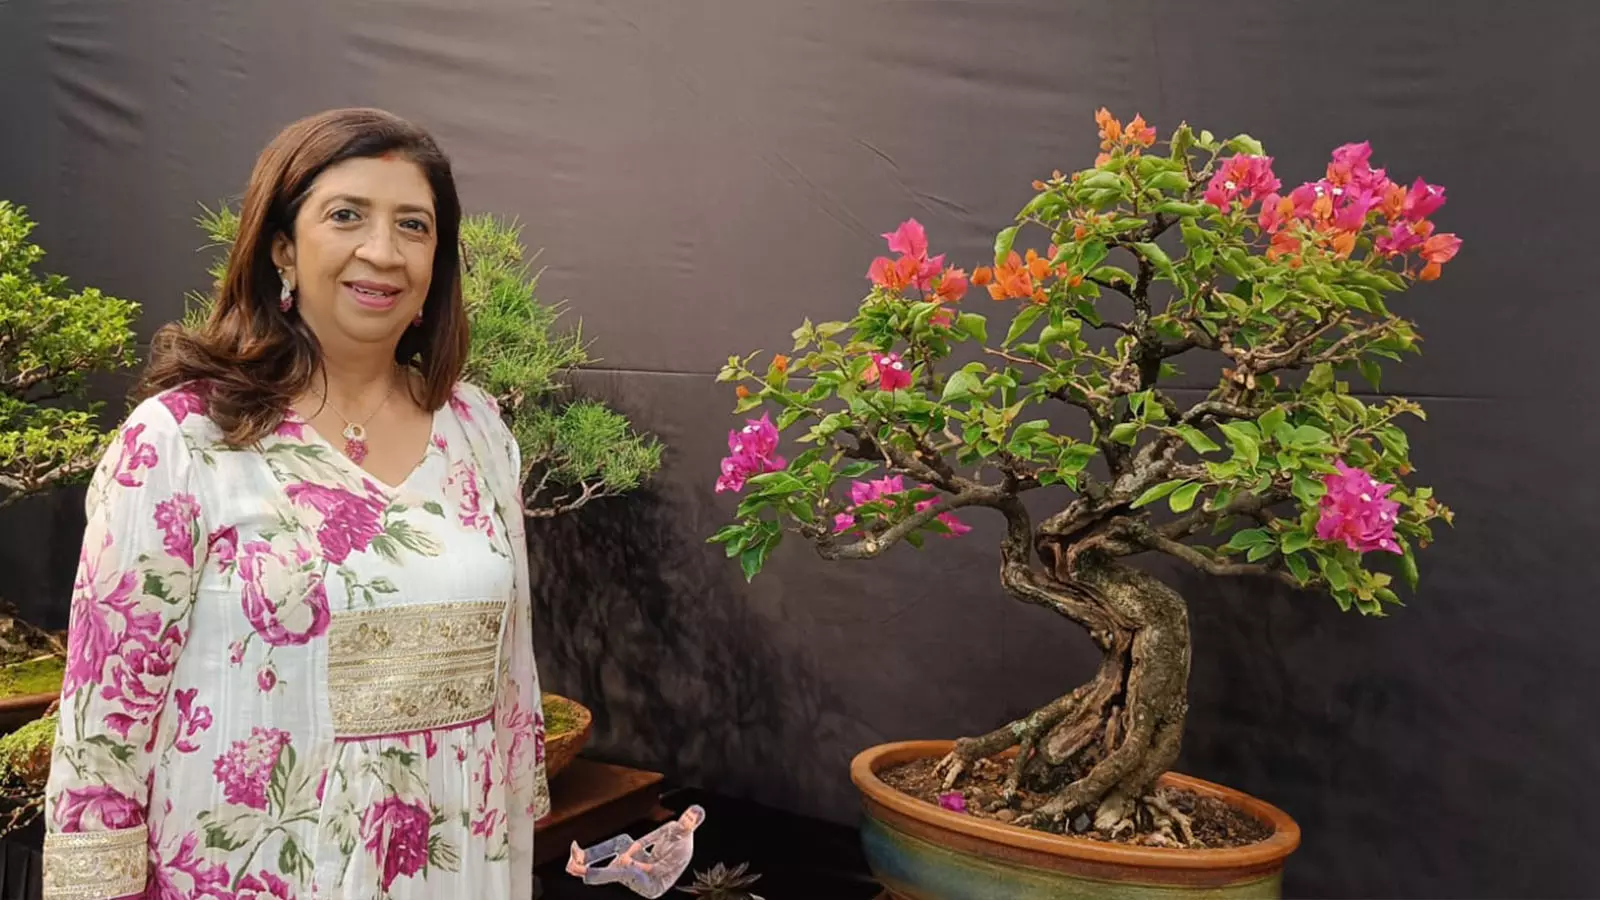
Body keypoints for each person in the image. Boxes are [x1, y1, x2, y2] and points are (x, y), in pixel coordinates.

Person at [39, 108, 549, 900]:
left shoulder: (477, 430)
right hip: (257, 873)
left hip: (454, 865)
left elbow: (512, 693)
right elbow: (103, 724)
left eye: (412, 225)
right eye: (346, 215)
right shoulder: (183, 441)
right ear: (282, 245)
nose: (382, 251)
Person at [566, 805, 705, 898]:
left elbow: (656, 870)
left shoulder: (685, 848)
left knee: (630, 871)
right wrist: (627, 854)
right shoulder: (672, 825)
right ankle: (584, 855)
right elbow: (645, 840)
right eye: (686, 814)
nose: (684, 819)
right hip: (648, 862)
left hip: (653, 883)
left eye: (690, 819)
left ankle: (583, 872)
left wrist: (631, 862)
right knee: (623, 840)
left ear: (695, 826)